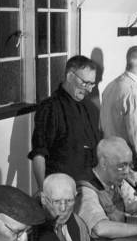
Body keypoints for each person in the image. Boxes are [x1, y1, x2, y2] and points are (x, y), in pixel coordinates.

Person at [76, 137, 137, 241]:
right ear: (103, 163)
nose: (127, 171)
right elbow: (100, 228)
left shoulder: (117, 182)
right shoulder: (86, 190)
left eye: (129, 165)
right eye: (121, 166)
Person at [28, 55, 101, 190]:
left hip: (90, 186)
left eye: (92, 84)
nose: (89, 90)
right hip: (62, 189)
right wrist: (44, 191)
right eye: (85, 83)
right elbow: (39, 154)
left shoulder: (90, 108)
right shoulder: (50, 108)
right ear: (70, 76)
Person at [24, 173, 105, 241]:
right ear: (43, 199)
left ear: (76, 196)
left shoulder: (78, 224)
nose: (63, 208)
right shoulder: (28, 228)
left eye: (69, 201)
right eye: (56, 201)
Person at [100, 46, 137, 184]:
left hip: (108, 159)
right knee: (135, 203)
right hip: (127, 163)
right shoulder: (133, 93)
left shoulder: (110, 86)